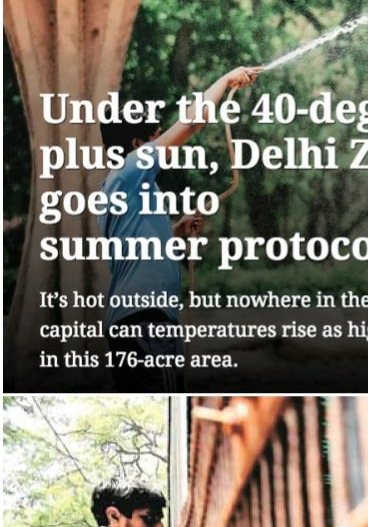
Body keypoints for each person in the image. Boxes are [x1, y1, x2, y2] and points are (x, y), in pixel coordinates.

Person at [99, 65, 262, 393]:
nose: (164, 141)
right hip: (145, 318)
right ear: (137, 144)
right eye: (157, 136)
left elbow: (138, 250)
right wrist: (225, 80)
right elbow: (191, 123)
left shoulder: (131, 188)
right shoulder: (129, 169)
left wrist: (176, 231)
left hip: (139, 319)